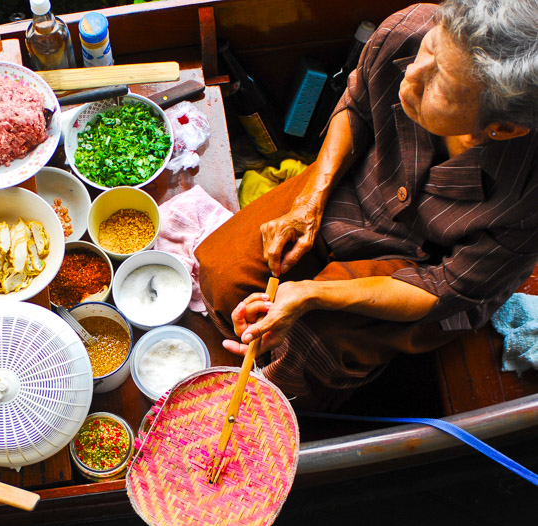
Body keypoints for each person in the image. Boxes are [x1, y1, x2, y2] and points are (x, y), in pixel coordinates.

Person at [195, 0, 538, 409]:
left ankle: (297, 404)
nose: (411, 77)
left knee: (312, 342)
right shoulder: (409, 29)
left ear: (500, 128)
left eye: (440, 87)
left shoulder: (529, 192)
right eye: (429, 49)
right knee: (225, 272)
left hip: (425, 267)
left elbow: (444, 288)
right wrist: (311, 200)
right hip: (354, 189)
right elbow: (357, 104)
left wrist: (310, 294)